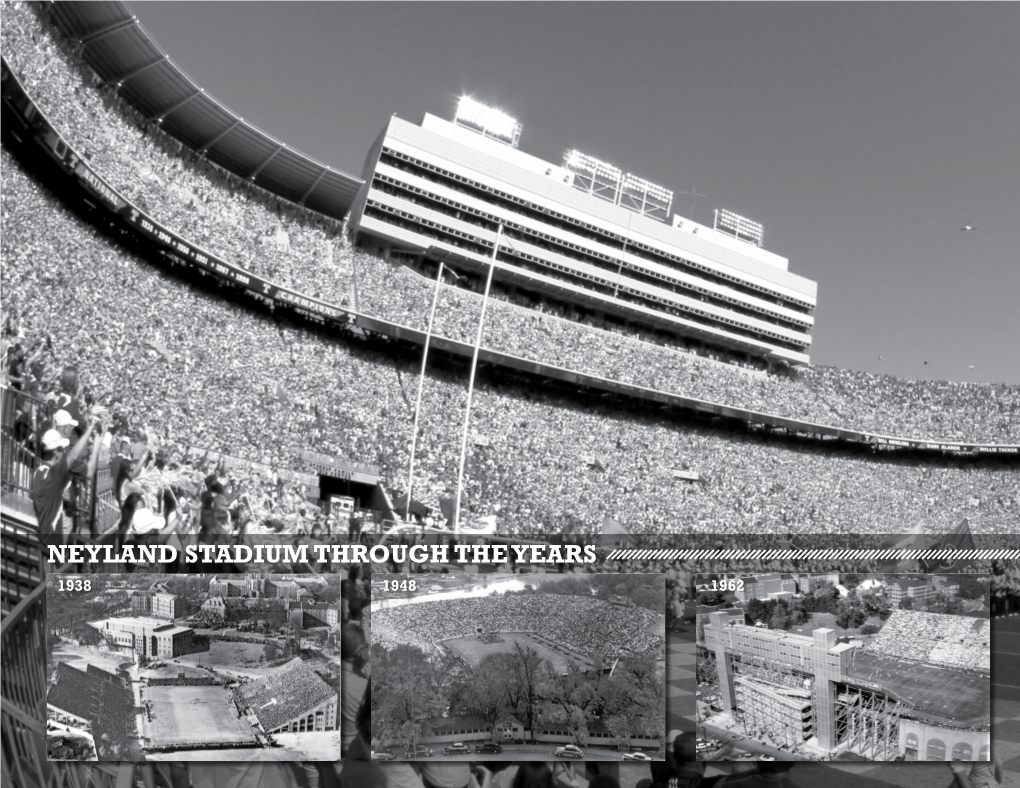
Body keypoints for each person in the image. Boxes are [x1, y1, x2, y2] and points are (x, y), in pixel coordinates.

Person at [31, 413, 101, 535]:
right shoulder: (56, 472)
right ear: (56, 452)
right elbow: (74, 457)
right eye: (61, 449)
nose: (63, 452)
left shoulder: (38, 471)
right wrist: (95, 442)